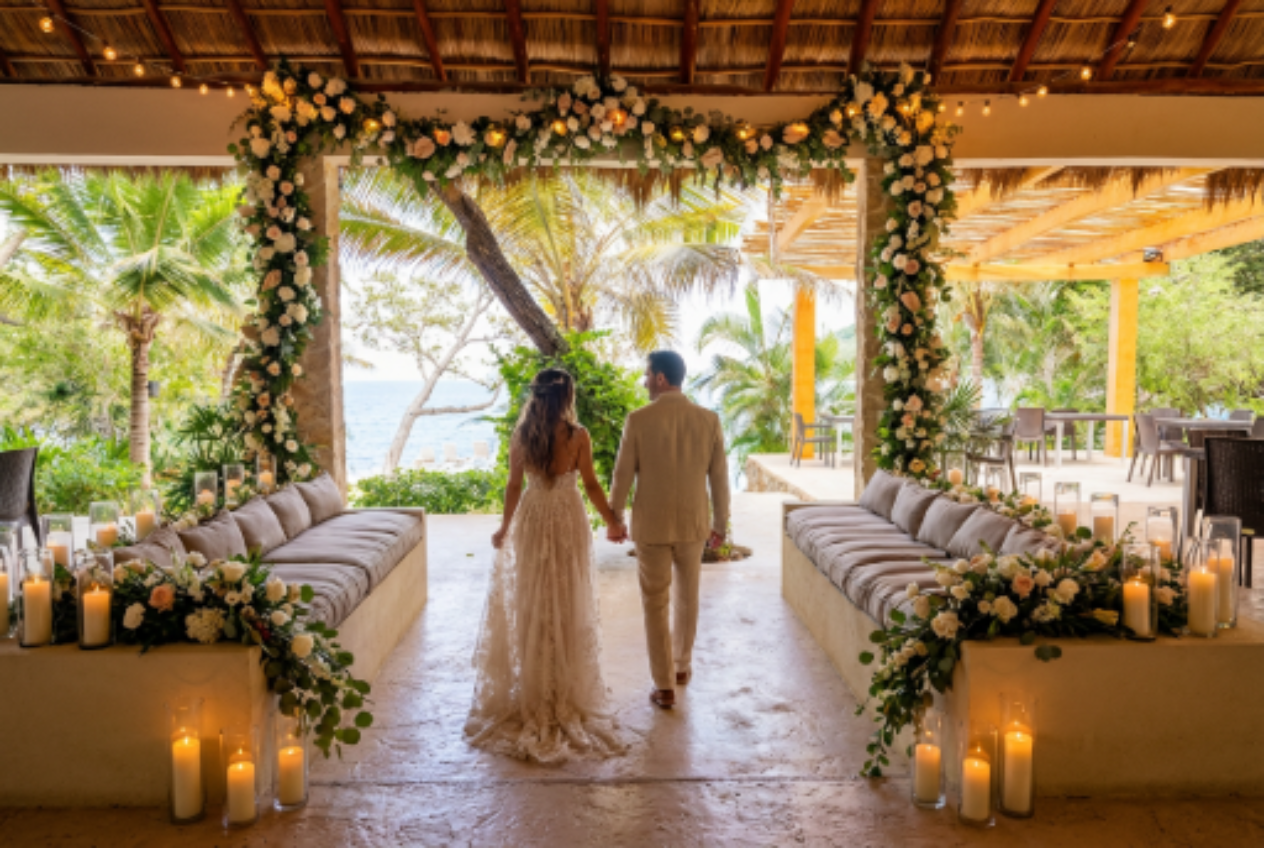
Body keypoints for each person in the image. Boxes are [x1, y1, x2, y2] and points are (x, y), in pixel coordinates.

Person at [465, 369, 626, 764]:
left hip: (534, 519)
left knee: (534, 600)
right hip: (567, 521)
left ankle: (538, 689)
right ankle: (564, 690)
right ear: (567, 395)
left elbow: (514, 486)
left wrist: (505, 527)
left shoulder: (522, 436)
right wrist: (612, 519)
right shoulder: (578, 435)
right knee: (568, 600)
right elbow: (590, 485)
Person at [609, 351, 730, 710]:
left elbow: (622, 475)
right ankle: (681, 667)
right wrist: (720, 524)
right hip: (693, 523)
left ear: (661, 378)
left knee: (654, 603)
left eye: (647, 375)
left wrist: (615, 517)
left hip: (652, 524)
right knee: (688, 596)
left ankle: (663, 685)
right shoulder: (708, 420)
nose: (645, 381)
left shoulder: (638, 420)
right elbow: (720, 480)